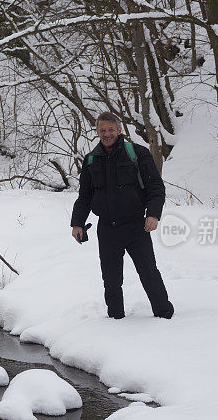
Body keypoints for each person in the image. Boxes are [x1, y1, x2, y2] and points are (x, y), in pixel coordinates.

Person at [70, 111, 174, 319]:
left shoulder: (137, 153)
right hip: (107, 228)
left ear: (119, 130)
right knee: (111, 278)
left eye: (111, 130)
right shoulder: (92, 160)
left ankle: (165, 316)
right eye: (102, 130)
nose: (107, 134)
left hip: (136, 225)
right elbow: (85, 196)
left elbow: (156, 187)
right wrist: (77, 223)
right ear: (97, 132)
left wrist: (153, 215)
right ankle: (116, 319)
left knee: (148, 272)